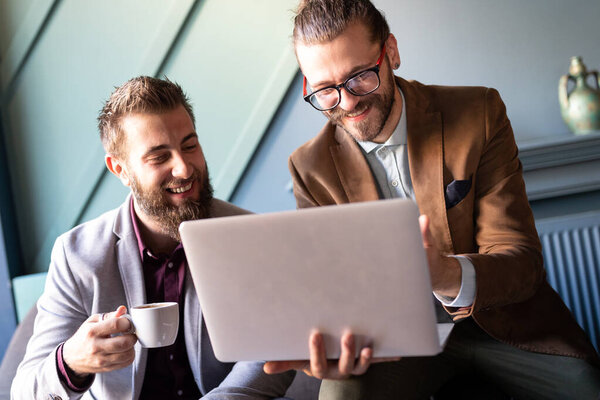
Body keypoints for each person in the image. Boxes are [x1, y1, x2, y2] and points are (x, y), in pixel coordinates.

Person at [267, 0, 600, 398]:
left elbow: (521, 261)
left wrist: (442, 273)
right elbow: (335, 293)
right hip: (395, 347)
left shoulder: (479, 113)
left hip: (507, 325)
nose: (348, 101)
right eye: (325, 90)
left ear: (390, 52)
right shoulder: (309, 167)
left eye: (359, 77)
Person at [11, 76, 295, 399]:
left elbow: (271, 354)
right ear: (120, 170)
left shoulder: (250, 236)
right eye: (160, 157)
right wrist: (71, 361)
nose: (185, 168)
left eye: (190, 145)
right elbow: (24, 391)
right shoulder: (75, 255)